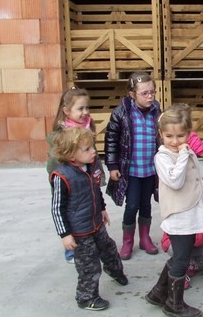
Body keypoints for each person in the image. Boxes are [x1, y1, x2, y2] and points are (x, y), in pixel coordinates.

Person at [50, 127, 127, 311]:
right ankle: (86, 297)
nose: (93, 151)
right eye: (87, 149)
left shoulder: (90, 166)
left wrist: (102, 209)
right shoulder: (62, 176)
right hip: (79, 231)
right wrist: (65, 234)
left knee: (109, 248)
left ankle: (114, 270)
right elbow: (56, 209)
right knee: (89, 265)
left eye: (92, 147)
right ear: (70, 155)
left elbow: (95, 190)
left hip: (96, 222)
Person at [144, 104, 203, 317]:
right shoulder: (162, 157)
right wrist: (182, 155)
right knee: (181, 259)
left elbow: (196, 180)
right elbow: (175, 181)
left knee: (182, 254)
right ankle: (174, 304)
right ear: (161, 134)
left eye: (180, 136)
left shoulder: (186, 150)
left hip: (189, 213)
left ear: (188, 134)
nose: (175, 141)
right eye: (169, 136)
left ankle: (157, 293)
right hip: (178, 216)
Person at [104, 72, 162, 260]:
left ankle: (145, 238)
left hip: (150, 170)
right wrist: (113, 165)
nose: (150, 96)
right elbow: (111, 140)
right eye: (144, 93)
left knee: (146, 205)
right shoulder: (121, 113)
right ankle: (128, 241)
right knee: (132, 205)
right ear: (132, 94)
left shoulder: (157, 112)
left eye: (152, 92)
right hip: (132, 171)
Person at [46, 86, 103, 264]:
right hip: (68, 182)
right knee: (70, 214)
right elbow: (55, 162)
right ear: (66, 111)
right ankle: (70, 250)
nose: (85, 112)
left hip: (86, 179)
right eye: (80, 108)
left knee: (87, 211)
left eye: (87, 107)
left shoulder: (87, 127)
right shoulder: (62, 134)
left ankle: (88, 245)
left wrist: (97, 173)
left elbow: (93, 155)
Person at [160, 175, 203, 289]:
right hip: (174, 244)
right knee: (181, 255)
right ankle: (179, 270)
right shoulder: (193, 211)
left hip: (192, 245)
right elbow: (196, 240)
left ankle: (189, 264)